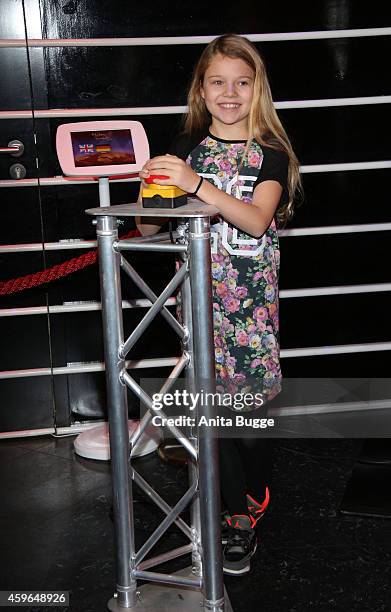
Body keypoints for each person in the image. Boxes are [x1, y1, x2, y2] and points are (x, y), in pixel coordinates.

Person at [136, 33, 302, 575]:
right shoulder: (185, 149)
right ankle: (235, 517)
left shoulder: (270, 154)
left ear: (256, 90)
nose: (229, 93)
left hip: (250, 309)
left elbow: (256, 220)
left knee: (247, 414)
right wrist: (153, 187)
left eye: (242, 82)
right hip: (197, 303)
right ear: (202, 90)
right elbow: (147, 226)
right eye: (218, 82)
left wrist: (197, 183)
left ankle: (251, 495)